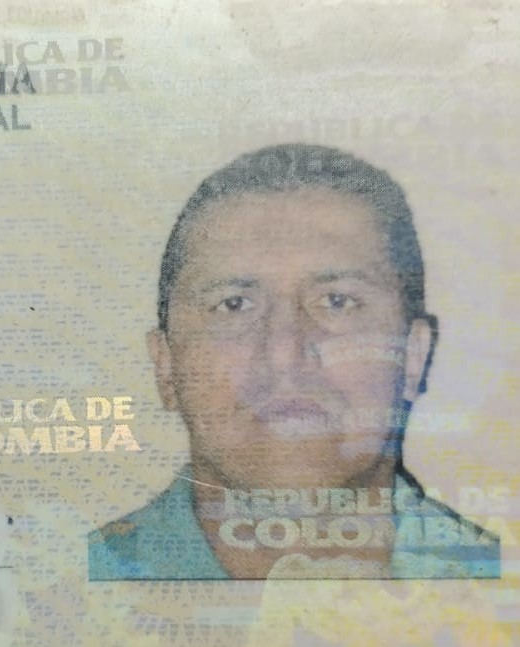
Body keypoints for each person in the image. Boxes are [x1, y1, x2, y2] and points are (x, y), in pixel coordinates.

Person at [88, 143, 500, 580]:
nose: (284, 354)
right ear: (166, 367)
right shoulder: (58, 597)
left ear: (413, 358)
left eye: (337, 301)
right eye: (234, 304)